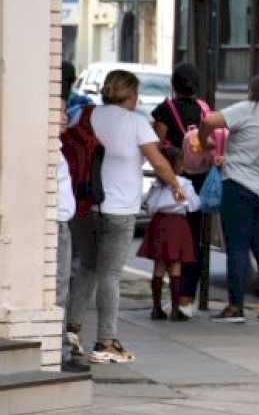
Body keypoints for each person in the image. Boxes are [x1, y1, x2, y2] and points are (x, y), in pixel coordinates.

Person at [66, 70, 186, 364]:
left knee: (87, 268)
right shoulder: (136, 123)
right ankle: (106, 341)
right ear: (131, 95)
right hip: (118, 211)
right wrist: (176, 185)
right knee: (109, 275)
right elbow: (158, 161)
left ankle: (72, 331)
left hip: (85, 207)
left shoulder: (86, 114)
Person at [200, 75, 259, 324]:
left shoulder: (249, 109)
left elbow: (210, 120)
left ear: (254, 92)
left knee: (238, 247)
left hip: (239, 186)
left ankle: (235, 307)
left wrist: (204, 140)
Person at [151, 63, 210, 317]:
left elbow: (157, 144)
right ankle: (186, 298)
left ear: (174, 84)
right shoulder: (204, 109)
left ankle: (160, 306)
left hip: (172, 179)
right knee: (192, 241)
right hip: (198, 181)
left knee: (165, 246)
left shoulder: (166, 109)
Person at [137, 146, 202, 321]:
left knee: (159, 266)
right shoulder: (184, 183)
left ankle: (156, 308)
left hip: (159, 223)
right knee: (176, 265)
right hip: (178, 225)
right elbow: (195, 205)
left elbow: (149, 206)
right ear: (177, 166)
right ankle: (175, 309)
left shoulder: (157, 185)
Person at [56, 98, 89, 373]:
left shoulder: (57, 148)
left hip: (60, 223)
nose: (65, 117)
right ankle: (60, 353)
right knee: (58, 289)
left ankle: (60, 349)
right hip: (54, 225)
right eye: (59, 111)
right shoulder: (49, 150)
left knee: (62, 286)